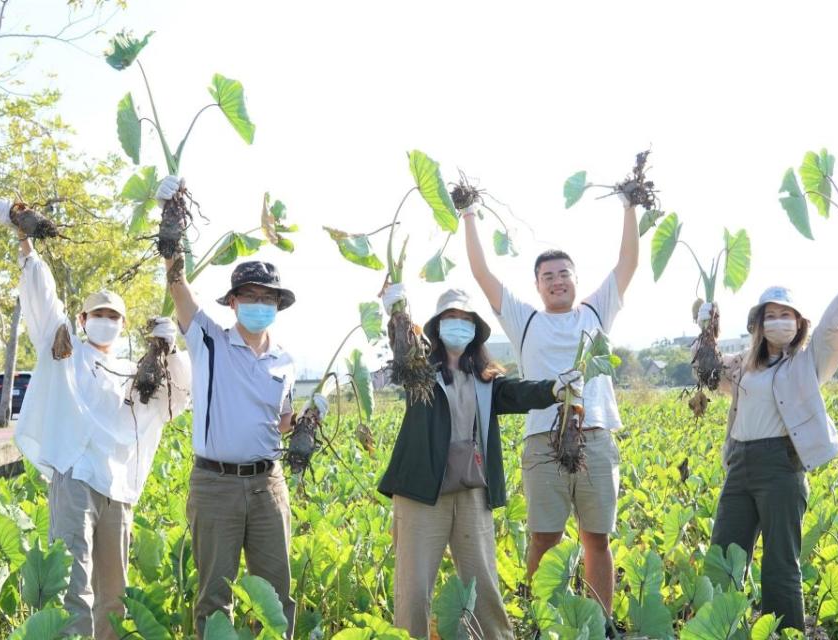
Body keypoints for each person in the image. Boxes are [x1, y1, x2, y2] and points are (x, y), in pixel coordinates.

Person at [0, 198, 191, 639]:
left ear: (122, 326)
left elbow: (179, 399)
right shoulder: (64, 348)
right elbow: (41, 298)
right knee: (73, 588)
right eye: (97, 314)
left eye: (113, 317)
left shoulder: (136, 373)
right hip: (75, 478)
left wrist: (170, 348)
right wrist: (24, 236)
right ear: (83, 319)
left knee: (114, 594)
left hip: (117, 488)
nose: (105, 321)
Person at [156, 176, 326, 639]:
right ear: (232, 303)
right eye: (249, 297)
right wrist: (170, 218)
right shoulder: (209, 337)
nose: (258, 305)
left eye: (267, 299)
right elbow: (178, 287)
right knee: (214, 595)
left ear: (277, 306)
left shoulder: (285, 362)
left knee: (276, 593)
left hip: (268, 485)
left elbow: (284, 422)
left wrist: (311, 421)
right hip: (215, 484)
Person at [462, 192, 638, 615]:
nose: (557, 281)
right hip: (543, 439)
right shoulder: (526, 320)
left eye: (564, 274)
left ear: (575, 279)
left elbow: (627, 264)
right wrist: (468, 213)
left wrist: (631, 205)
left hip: (594, 437)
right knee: (545, 537)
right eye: (548, 276)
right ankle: (544, 619)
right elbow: (482, 273)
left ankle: (601, 621)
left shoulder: (595, 311)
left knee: (597, 538)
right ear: (537, 285)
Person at [377, 288, 583, 639]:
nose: (458, 325)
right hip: (422, 492)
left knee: (483, 583)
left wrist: (554, 389)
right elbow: (401, 361)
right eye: (450, 319)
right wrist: (394, 316)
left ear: (475, 329)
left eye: (465, 320)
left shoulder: (487, 379)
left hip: (472, 491)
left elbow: (520, 392)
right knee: (413, 590)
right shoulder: (420, 373)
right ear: (437, 327)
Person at [698, 244, 838, 632]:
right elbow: (707, 370)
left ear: (798, 324)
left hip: (781, 466)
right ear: (758, 325)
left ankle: (785, 634)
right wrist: (705, 325)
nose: (779, 321)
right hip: (740, 466)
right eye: (771, 316)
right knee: (724, 555)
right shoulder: (744, 367)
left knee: (780, 562)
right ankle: (724, 629)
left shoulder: (807, 362)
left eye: (786, 316)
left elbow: (832, 323)